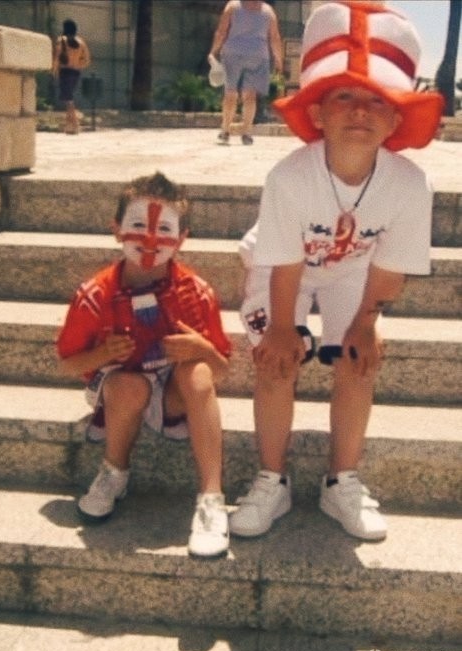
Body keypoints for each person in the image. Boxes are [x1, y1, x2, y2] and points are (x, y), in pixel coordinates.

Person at [229, 1, 443, 541]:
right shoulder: (289, 176)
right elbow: (285, 262)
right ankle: (272, 479)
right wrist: (283, 328)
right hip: (282, 268)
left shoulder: (410, 185)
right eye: (343, 96)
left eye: (377, 100)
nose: (360, 112)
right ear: (317, 112)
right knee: (276, 361)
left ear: (397, 119)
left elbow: (389, 268)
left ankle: (341, 480)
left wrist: (366, 325)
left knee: (358, 361)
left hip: (354, 270)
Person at [56, 172, 232, 559]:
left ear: (182, 239)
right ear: (116, 230)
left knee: (198, 372)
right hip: (123, 390)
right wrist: (102, 354)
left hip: (173, 398)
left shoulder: (197, 293)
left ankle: (211, 498)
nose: (151, 239)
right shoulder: (95, 294)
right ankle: (114, 472)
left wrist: (202, 348)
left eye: (164, 229)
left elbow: (220, 372)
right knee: (127, 386)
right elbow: (67, 365)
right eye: (138, 225)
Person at [208, 0, 283, 145]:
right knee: (250, 96)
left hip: (232, 53)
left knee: (230, 93)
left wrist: (213, 51)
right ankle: (247, 133)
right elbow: (274, 37)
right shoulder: (268, 11)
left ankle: (225, 130)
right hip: (258, 55)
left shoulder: (232, 6)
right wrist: (278, 59)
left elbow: (222, 32)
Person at [52, 19, 91, 134]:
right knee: (68, 98)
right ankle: (69, 126)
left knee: (68, 99)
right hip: (76, 72)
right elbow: (87, 60)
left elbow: (57, 57)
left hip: (65, 72)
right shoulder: (81, 42)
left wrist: (54, 70)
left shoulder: (61, 40)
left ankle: (75, 124)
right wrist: (79, 65)